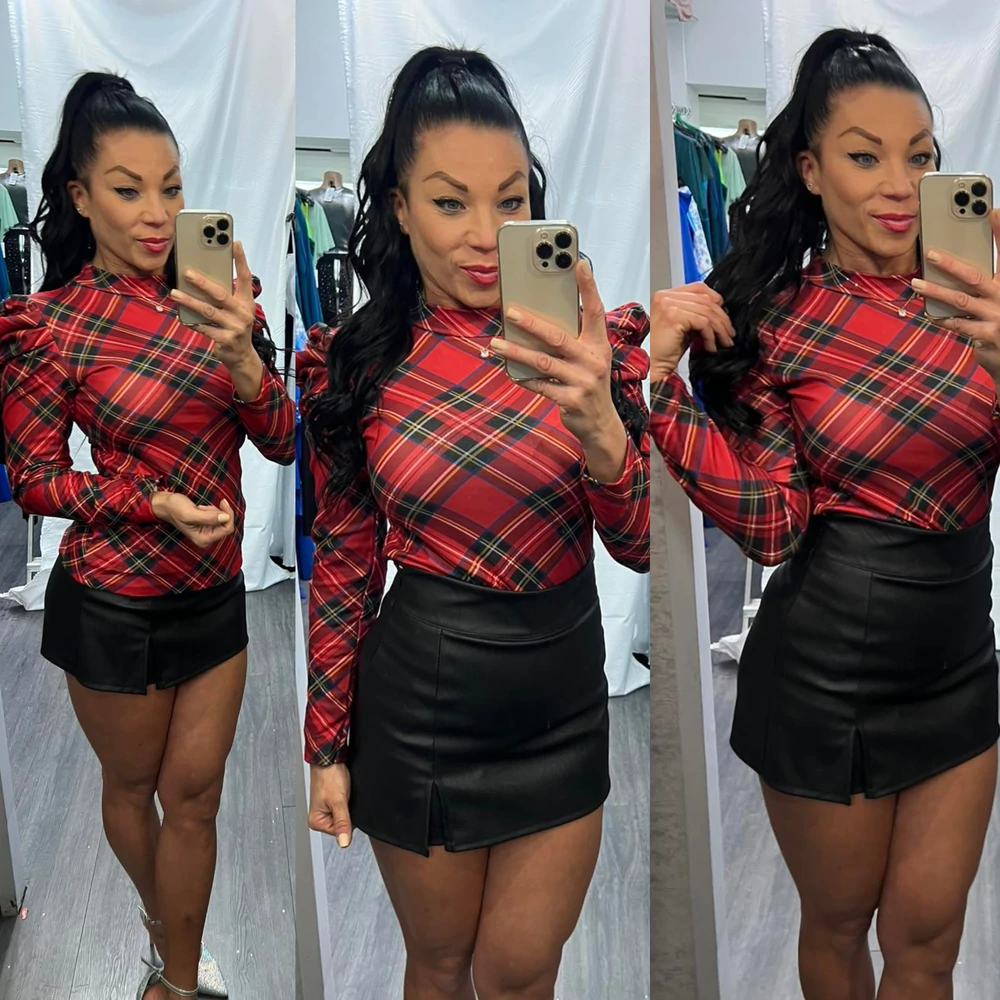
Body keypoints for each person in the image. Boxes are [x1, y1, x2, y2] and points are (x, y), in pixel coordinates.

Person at [650, 28, 1000, 1000]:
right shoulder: (777, 319)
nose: (899, 185)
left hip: (960, 668)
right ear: (809, 169)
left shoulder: (982, 299)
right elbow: (771, 525)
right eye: (864, 155)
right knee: (839, 930)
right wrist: (659, 392)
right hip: (824, 680)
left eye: (919, 156)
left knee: (929, 948)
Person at [299, 47, 649, 1000]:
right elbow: (345, 564)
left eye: (510, 200)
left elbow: (640, 545)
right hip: (421, 710)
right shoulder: (359, 362)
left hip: (563, 703)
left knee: (522, 972)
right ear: (400, 206)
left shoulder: (591, 348)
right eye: (451, 202)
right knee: (441, 966)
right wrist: (325, 743)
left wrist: (603, 427)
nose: (486, 235)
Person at [0, 73, 295, 1000]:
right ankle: (163, 931)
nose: (158, 213)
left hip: (213, 595)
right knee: (133, 793)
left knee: (196, 798)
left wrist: (244, 355)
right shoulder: (50, 327)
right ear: (81, 197)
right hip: (113, 603)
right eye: (128, 189)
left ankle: (176, 978)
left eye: (171, 187)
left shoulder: (221, 302)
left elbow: (284, 440)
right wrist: (149, 502)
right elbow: (36, 481)